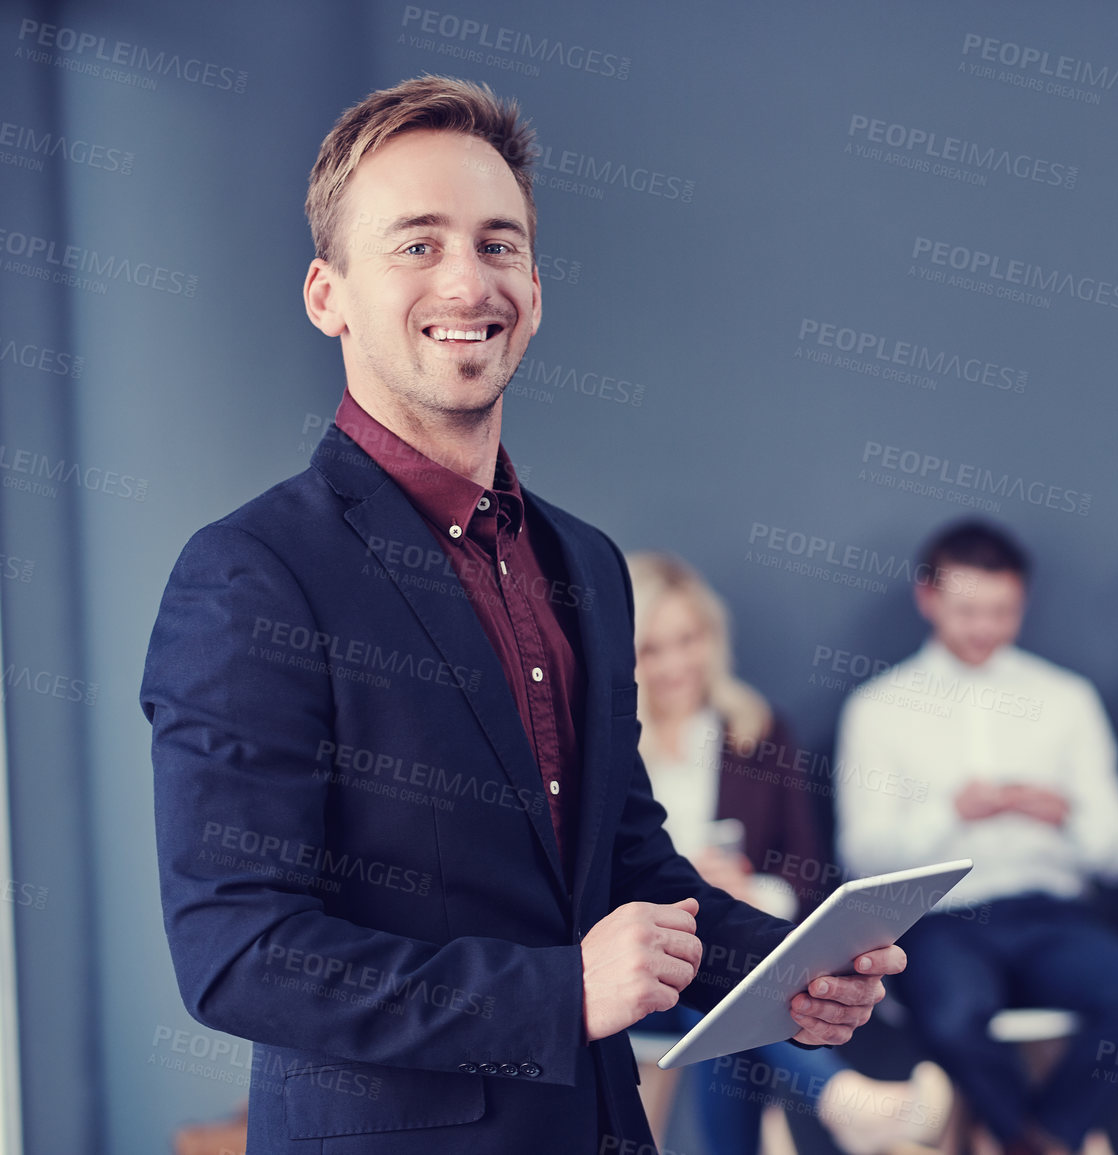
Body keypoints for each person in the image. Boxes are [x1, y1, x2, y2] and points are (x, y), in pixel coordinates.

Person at [141, 76, 898, 1155]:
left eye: (500, 245)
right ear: (327, 295)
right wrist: (557, 993)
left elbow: (633, 875)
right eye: (417, 244)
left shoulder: (583, 563)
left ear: (534, 289)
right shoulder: (250, 574)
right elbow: (238, 951)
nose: (469, 277)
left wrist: (790, 967)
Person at [834, 519, 1118, 1155]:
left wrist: (1063, 816)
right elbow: (862, 859)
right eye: (967, 610)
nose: (985, 628)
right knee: (951, 1016)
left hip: (1051, 915)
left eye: (1003, 610)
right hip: (939, 919)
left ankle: (1038, 1139)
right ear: (927, 597)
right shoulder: (878, 708)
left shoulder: (1066, 698)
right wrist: (952, 811)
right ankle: (1031, 1138)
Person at [626, 552, 951, 1155]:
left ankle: (849, 1108)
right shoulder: (613, 744)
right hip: (637, 974)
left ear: (712, 638)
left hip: (730, 959)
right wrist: (691, 883)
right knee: (730, 997)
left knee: (727, 1002)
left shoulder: (757, 728)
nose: (675, 665)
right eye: (652, 649)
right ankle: (848, 1106)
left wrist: (748, 892)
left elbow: (806, 874)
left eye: (688, 640)